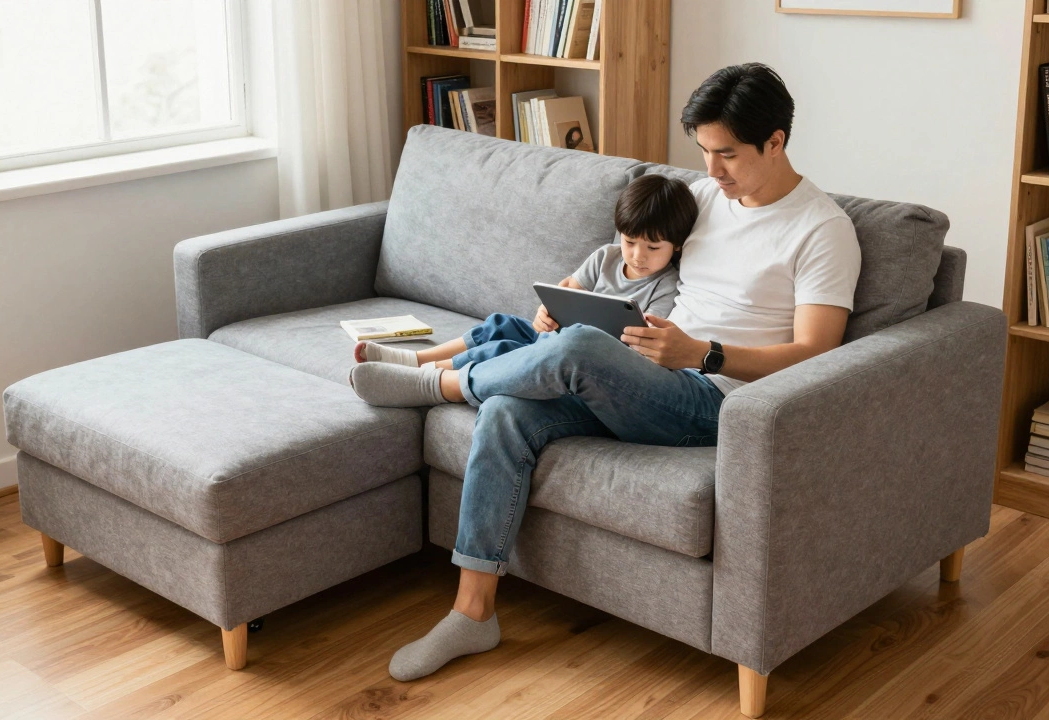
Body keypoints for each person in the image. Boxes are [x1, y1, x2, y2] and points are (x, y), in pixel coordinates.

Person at [349, 63, 863, 683]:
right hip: (643, 376)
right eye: (703, 152)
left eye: (726, 155)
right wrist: (566, 296)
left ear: (776, 141)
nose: (711, 172)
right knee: (512, 412)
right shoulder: (702, 202)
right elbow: (625, 265)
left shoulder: (823, 230)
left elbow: (818, 351)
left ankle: (441, 384)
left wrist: (703, 353)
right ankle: (473, 611)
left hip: (716, 399)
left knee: (583, 348)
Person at [352, 174, 698, 373]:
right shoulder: (604, 257)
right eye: (630, 242)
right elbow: (565, 293)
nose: (638, 256)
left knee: (502, 347)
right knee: (500, 324)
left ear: (676, 246)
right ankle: (415, 359)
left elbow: (648, 345)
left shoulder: (665, 286)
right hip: (555, 339)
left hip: (588, 360)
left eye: (654, 248)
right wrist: (546, 315)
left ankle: (429, 375)